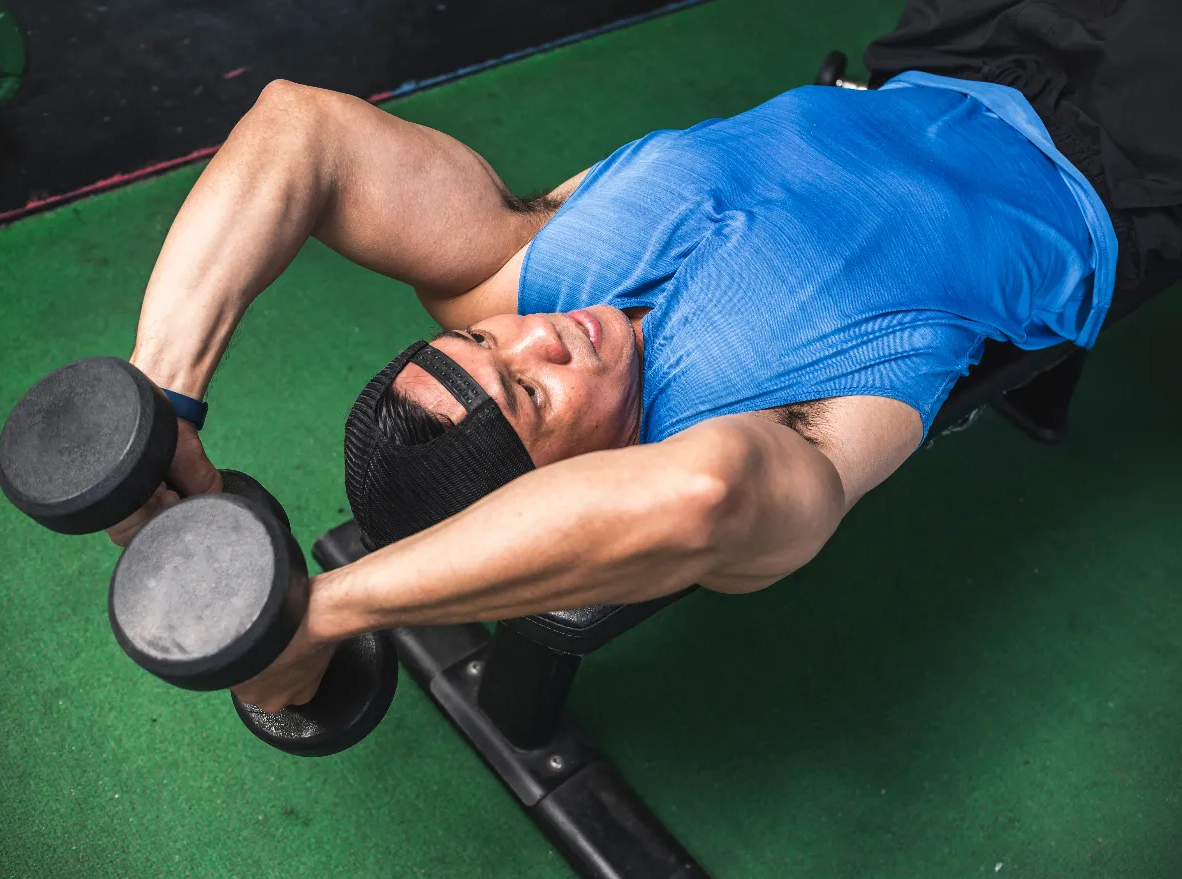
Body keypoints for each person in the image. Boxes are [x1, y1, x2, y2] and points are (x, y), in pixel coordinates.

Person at [112, 0, 1181, 711]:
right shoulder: (764, 443)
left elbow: (301, 131)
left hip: (953, 54)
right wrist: (316, 616)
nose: (542, 334)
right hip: (1114, 158)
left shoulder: (520, 273)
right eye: (531, 394)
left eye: (481, 342)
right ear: (568, 483)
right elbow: (700, 496)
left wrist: (158, 415)